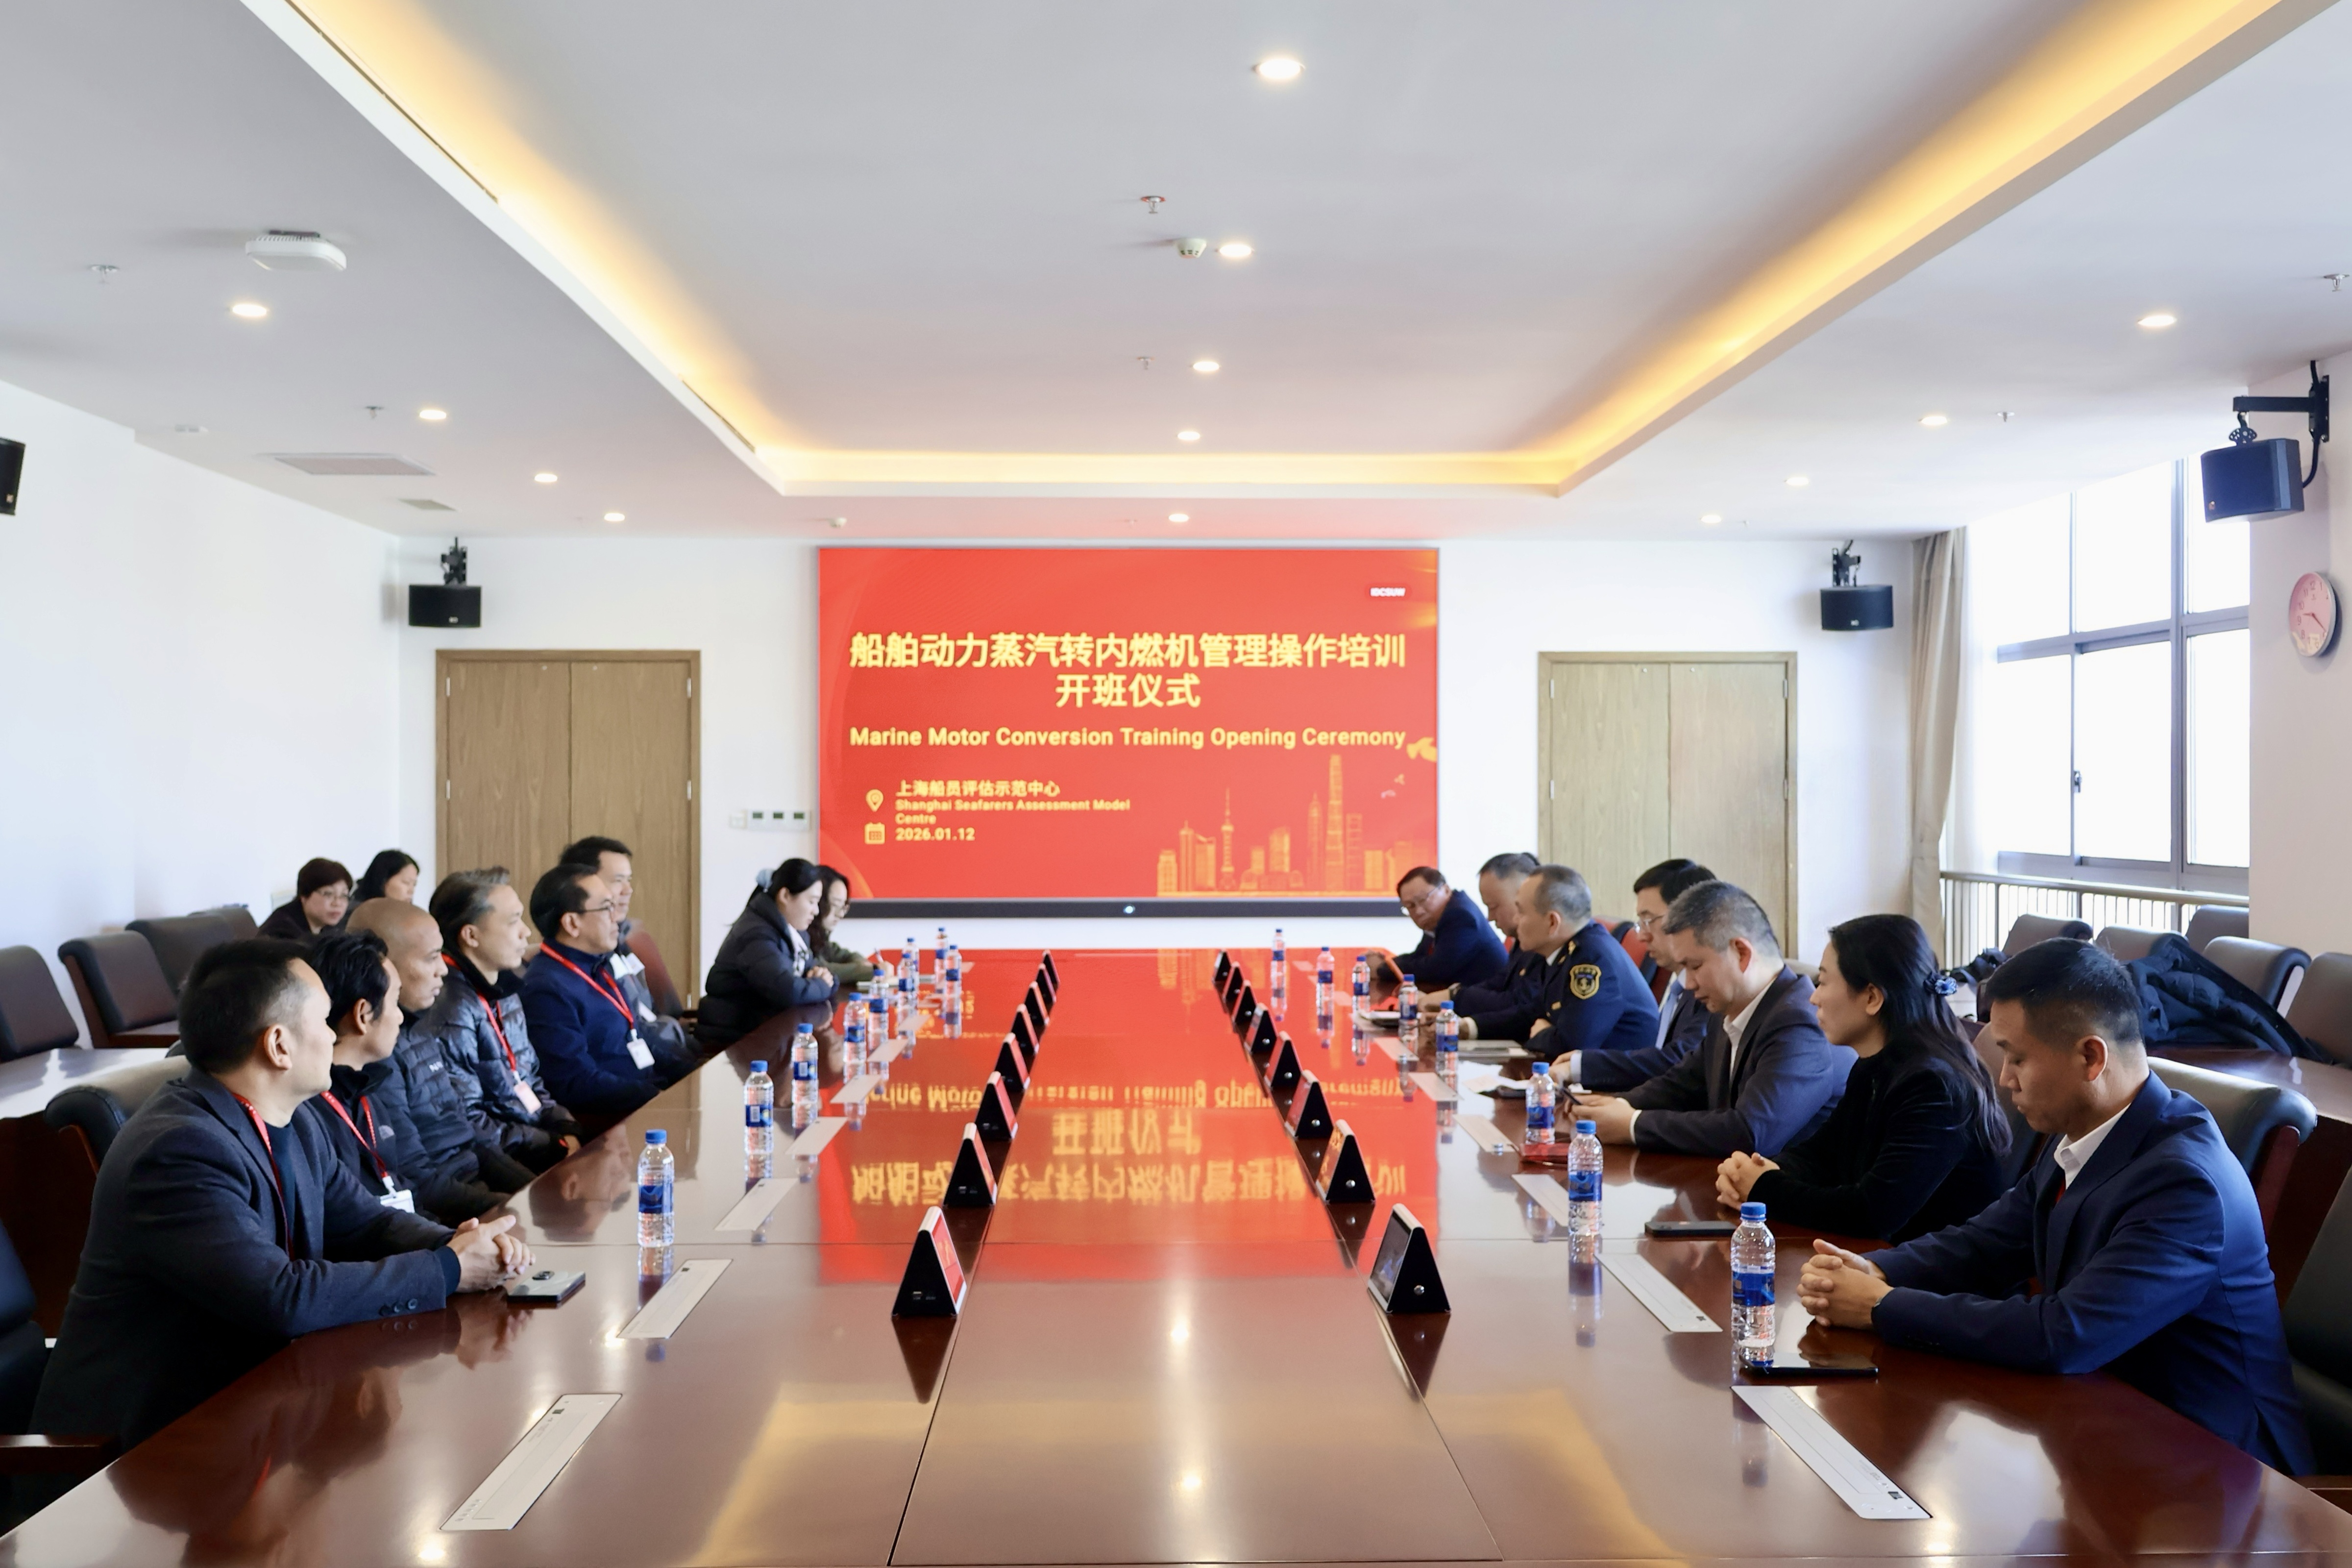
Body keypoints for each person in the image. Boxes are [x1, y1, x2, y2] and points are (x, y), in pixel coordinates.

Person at [1797, 939, 2311, 1472]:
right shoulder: (2088, 1132)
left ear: (2091, 1057)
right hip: (2111, 1427)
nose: (2004, 1078)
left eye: (2017, 1057)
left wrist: (1882, 1306)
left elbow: (2066, 1333)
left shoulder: (2185, 1184)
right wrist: (1876, 1270)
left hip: (2223, 1474)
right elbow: (1988, 1242)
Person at [30, 939, 529, 1447]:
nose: (334, 1034)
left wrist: (460, 1244)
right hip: (138, 1448)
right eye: (323, 1021)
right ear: (278, 1045)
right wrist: (447, 1268)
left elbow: (368, 1222)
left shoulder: (297, 1120)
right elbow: (279, 1296)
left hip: (253, 1408)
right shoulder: (177, 1151)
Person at [1714, 914, 2008, 1242]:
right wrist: (1756, 1172)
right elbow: (1822, 1156)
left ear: (1872, 998)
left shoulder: (1935, 1088)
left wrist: (1763, 1190)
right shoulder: (1876, 1066)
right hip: (1881, 1258)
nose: (1814, 997)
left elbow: (1872, 1213)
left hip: (1933, 1270)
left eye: (1824, 982)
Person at [1571, 881, 1851, 1156]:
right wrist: (1614, 1105)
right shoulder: (1728, 1008)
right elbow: (1681, 1085)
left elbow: (1750, 1132)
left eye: (1695, 966)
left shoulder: (1801, 1024)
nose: (1688, 984)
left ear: (1742, 953)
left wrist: (1633, 1125)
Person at [347, 900, 530, 1222]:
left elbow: (472, 1139)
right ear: (383, 968)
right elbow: (419, 1179)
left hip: (476, 1193)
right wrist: (512, 1209)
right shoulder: (377, 1058)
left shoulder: (420, 1028)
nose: (443, 969)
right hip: (449, 1216)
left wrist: (533, 1191)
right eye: (431, 958)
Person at [425, 870, 581, 1174]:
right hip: (498, 1163)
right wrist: (551, 1144)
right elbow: (468, 1120)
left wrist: (564, 1125)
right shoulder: (450, 1010)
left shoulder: (504, 988)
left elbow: (528, 1079)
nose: (526, 932)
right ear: (471, 936)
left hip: (531, 1141)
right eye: (513, 922)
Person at [520, 864, 680, 1118]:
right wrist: (657, 1099)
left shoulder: (599, 965)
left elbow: (637, 1037)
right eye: (607, 908)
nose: (617, 917)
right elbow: (576, 1082)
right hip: (613, 1120)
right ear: (572, 923)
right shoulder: (546, 989)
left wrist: (691, 1074)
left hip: (644, 1101)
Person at [1450, 866, 1657, 1057]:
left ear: (1552, 922)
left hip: (1616, 1082)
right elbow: (1531, 1013)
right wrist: (1469, 1027)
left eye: (1521, 912)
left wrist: (1542, 1034)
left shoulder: (1591, 961)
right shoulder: (1564, 951)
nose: (1515, 920)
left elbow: (1571, 1047)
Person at [297, 929, 421, 1212]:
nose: (401, 1017)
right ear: (363, 1015)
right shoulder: (310, 1112)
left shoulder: (366, 1090)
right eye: (395, 1002)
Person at [1575, 859, 1716, 1093]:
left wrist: (1581, 1066)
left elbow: (1677, 1061)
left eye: (1649, 921)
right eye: (1640, 923)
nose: (1642, 936)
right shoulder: (1680, 989)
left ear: (1688, 919)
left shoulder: (1710, 991)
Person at [558, 835, 694, 1066]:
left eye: (629, 880)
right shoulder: (578, 964)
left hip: (660, 1052)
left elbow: (648, 1019)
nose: (628, 890)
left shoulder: (621, 940)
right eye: (618, 881)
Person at [697, 859, 842, 1047]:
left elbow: (821, 974)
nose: (816, 911)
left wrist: (824, 978)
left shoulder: (795, 932)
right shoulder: (756, 935)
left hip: (762, 1033)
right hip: (731, 1039)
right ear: (785, 896)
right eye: (812, 902)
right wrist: (821, 985)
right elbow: (788, 991)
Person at [1376, 866, 1508, 994]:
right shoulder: (1438, 918)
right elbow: (1420, 956)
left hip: (1489, 999)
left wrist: (1382, 969)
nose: (1419, 911)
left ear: (1446, 890)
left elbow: (1435, 970)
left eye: (1423, 900)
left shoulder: (1460, 916)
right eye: (1410, 906)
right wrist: (1387, 963)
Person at [256, 858, 352, 941]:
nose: (338, 903)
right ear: (305, 896)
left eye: (344, 896)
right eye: (328, 894)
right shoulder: (282, 933)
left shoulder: (329, 927)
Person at [812, 865, 875, 986]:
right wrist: (872, 970)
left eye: (843, 907)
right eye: (836, 905)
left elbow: (842, 955)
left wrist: (862, 964)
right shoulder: (802, 933)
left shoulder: (819, 935)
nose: (840, 914)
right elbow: (819, 967)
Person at [350, 850, 420, 906]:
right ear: (383, 880)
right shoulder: (357, 914)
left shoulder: (408, 916)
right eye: (406, 882)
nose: (411, 891)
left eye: (414, 885)